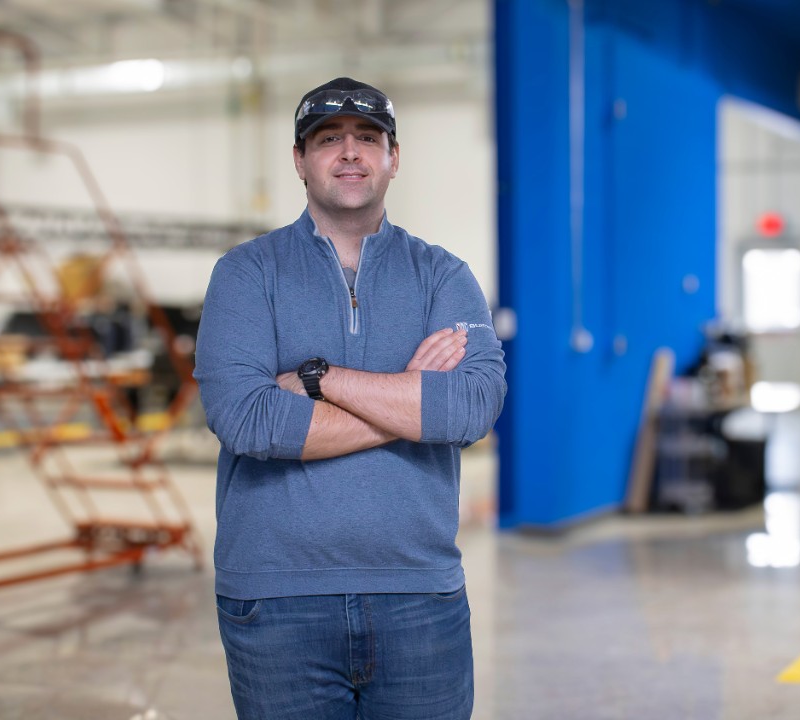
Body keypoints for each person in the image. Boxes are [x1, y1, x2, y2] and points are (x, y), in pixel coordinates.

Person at [193, 77, 506, 719]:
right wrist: (414, 407)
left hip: (419, 595)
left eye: (368, 138)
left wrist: (317, 378)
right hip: (276, 601)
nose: (350, 152)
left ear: (394, 158)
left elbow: (473, 407)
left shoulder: (443, 274)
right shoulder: (246, 273)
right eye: (328, 139)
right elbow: (248, 420)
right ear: (300, 161)